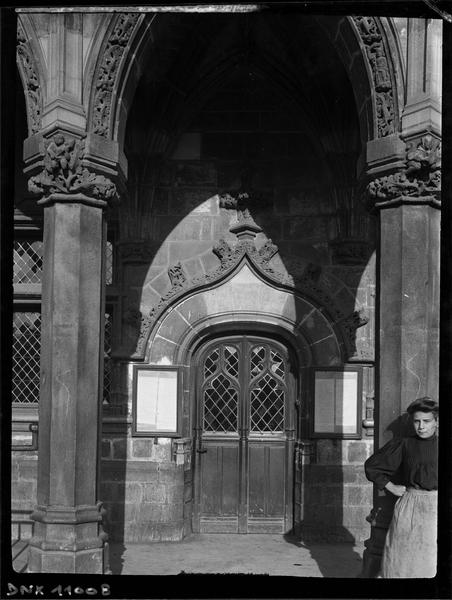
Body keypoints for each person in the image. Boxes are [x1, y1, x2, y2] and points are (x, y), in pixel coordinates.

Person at [364, 396, 438, 578]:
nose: (421, 426)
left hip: (435, 509)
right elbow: (372, 466)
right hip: (410, 508)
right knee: (401, 562)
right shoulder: (405, 444)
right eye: (417, 421)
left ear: (437, 421)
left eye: (427, 421)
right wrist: (391, 487)